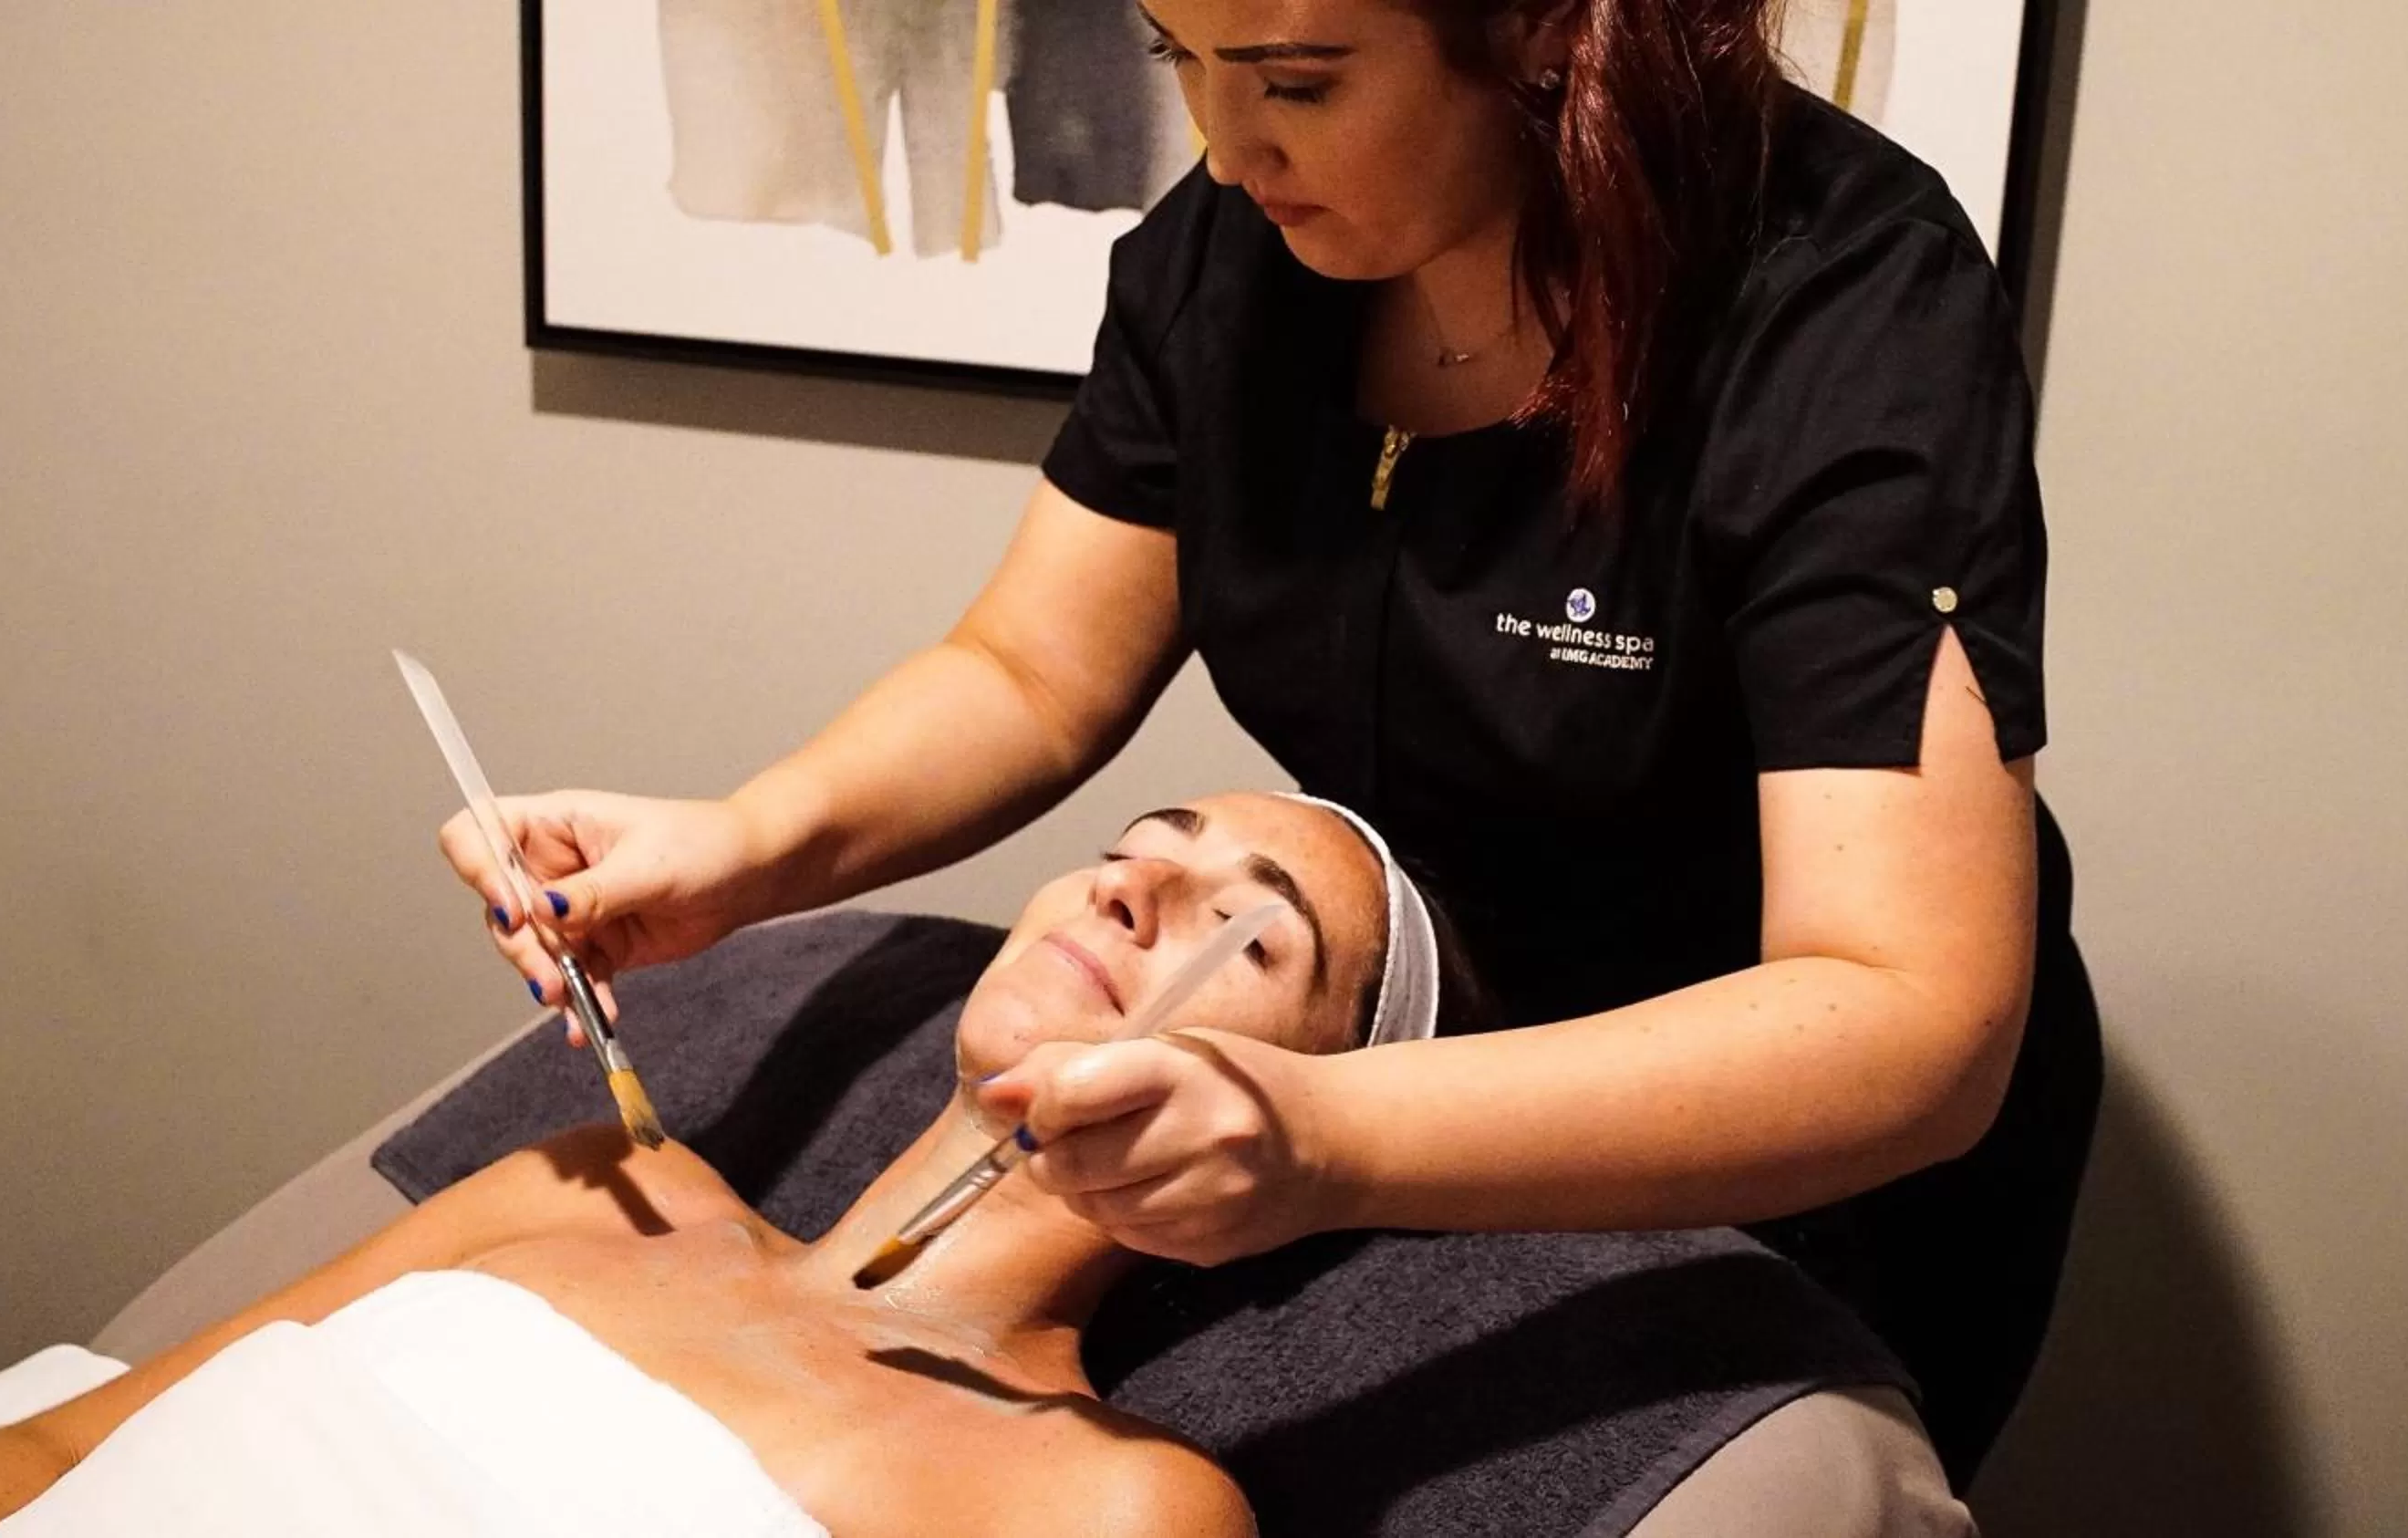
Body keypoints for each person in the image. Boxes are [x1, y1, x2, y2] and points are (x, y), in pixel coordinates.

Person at [452, 0, 2101, 1487]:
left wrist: (1325, 1142)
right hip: (1363, 1057)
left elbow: (1906, 1017)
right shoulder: (1234, 257)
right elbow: (1031, 669)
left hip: (1784, 1134)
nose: (1226, 148)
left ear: (1541, 27)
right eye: (1181, 57)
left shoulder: (1829, 302)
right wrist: (746, 846)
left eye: (1296, 79)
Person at [0, 795, 1418, 1538]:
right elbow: (48, 1454)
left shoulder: (1116, 1504)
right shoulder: (610, 1189)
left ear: (1304, 1123)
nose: (1142, 885)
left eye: (1249, 928)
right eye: (1138, 843)